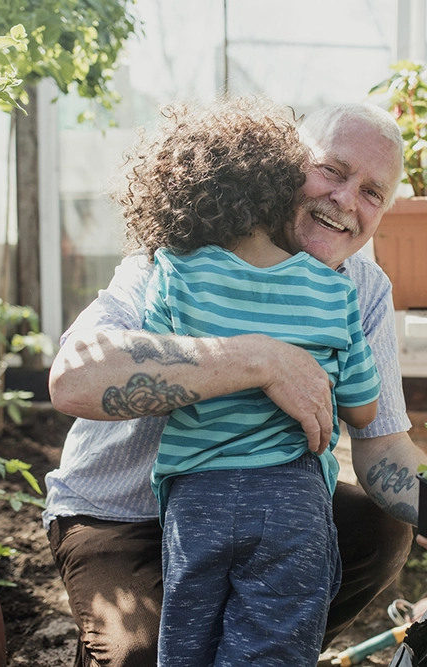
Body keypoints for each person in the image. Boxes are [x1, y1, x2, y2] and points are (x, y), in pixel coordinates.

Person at [45, 101, 427, 667]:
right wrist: (260, 360)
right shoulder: (185, 251)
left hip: (269, 504)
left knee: (378, 530)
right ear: (284, 165)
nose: (345, 200)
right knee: (142, 657)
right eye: (332, 171)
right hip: (120, 514)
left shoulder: (360, 286)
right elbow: (74, 380)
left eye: (372, 193)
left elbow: (381, 442)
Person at [127, 98, 381, 666]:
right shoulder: (334, 291)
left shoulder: (174, 268)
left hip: (197, 498)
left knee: (186, 646)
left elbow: (153, 361)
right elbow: (364, 410)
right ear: (283, 183)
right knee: (271, 649)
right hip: (292, 501)